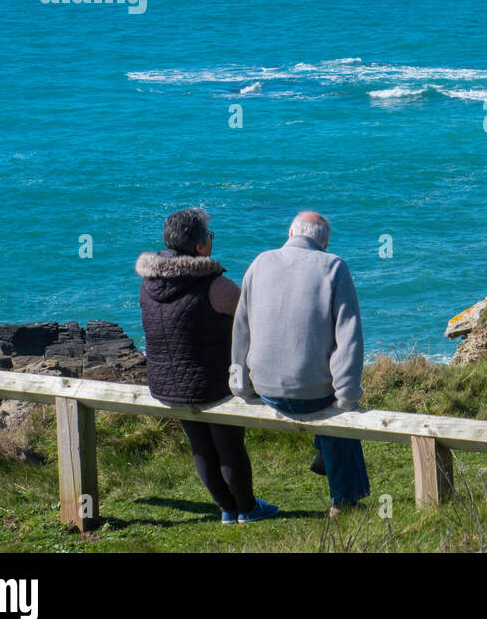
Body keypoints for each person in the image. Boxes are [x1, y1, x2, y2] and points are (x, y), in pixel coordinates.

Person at [136, 207, 278, 524]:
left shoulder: (149, 283)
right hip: (213, 385)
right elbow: (254, 323)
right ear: (200, 247)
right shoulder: (216, 287)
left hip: (166, 385)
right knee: (229, 447)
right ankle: (248, 509)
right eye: (209, 238)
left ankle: (227, 507)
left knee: (200, 446)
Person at [231, 210, 370, 517]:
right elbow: (349, 339)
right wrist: (346, 400)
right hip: (312, 394)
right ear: (324, 244)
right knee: (338, 402)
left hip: (266, 390)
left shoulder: (259, 263)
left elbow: (241, 330)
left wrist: (241, 387)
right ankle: (345, 499)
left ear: (291, 234)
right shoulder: (334, 267)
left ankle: (325, 457)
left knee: (325, 390)